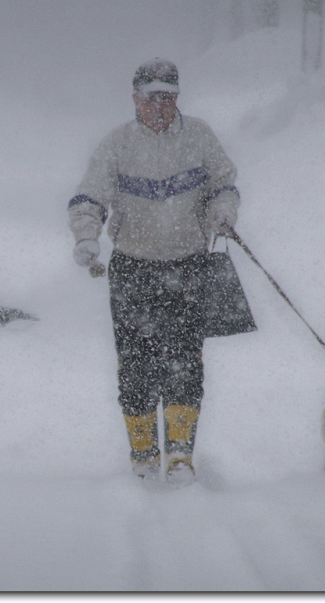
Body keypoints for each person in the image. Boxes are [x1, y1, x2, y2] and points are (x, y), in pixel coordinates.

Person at [68, 58, 241, 485]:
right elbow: (89, 196)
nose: (160, 107)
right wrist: (86, 236)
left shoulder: (200, 137)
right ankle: (143, 453)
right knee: (136, 364)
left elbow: (224, 184)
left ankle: (180, 453)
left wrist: (222, 212)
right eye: (152, 98)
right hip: (133, 269)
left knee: (185, 361)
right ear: (135, 99)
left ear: (178, 98)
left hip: (188, 265)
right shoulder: (118, 145)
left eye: (168, 98)